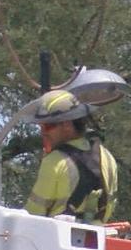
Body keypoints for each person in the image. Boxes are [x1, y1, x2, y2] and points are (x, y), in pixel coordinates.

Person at [24, 89, 118, 224]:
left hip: (55, 240)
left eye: (48, 126)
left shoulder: (55, 161)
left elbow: (33, 214)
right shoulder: (107, 157)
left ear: (67, 125)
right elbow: (110, 205)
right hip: (96, 239)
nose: (43, 132)